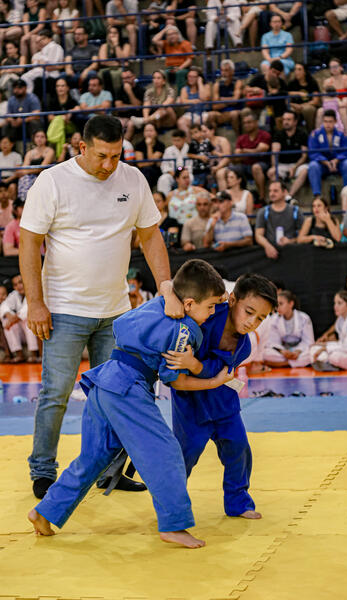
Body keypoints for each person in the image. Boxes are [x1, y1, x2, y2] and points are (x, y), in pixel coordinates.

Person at [19, 115, 183, 500]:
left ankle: (110, 471)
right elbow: (29, 243)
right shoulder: (53, 181)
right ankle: (43, 470)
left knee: (116, 394)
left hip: (116, 312)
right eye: (102, 156)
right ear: (82, 147)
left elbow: (150, 236)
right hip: (63, 309)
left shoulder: (132, 179)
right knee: (56, 393)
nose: (109, 164)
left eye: (116, 155)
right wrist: (36, 303)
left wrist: (165, 288)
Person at [28, 259, 233, 548]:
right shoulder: (187, 330)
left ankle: (44, 511)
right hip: (128, 389)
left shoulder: (156, 305)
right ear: (188, 303)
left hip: (104, 381)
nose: (212, 313)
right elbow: (175, 381)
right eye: (210, 306)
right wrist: (214, 380)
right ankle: (174, 525)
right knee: (165, 451)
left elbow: (121, 324)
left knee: (94, 457)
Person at [168, 273, 278, 520]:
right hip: (190, 399)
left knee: (238, 447)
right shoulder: (206, 313)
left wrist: (194, 364)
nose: (252, 322)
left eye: (260, 318)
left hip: (223, 399)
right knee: (186, 453)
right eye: (249, 311)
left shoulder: (244, 346)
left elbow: (216, 372)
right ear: (232, 300)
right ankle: (170, 505)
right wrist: (188, 363)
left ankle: (238, 502)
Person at [308, 109, 347, 199]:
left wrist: (336, 160)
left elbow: (345, 151)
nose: (327, 124)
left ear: (335, 122)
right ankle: (317, 196)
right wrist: (325, 162)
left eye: (330, 122)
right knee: (313, 165)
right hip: (322, 165)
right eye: (325, 121)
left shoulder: (341, 134)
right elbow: (313, 152)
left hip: (338, 164)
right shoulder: (315, 134)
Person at [262, 289, 314, 367]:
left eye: (281, 304)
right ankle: (296, 363)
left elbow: (308, 341)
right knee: (265, 352)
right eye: (277, 304)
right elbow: (273, 341)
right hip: (283, 351)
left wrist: (298, 351)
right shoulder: (273, 319)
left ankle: (284, 364)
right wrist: (282, 351)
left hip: (299, 350)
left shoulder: (304, 318)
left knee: (312, 352)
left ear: (291, 304)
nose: (277, 307)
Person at [255, 180, 304, 260]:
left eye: (275, 191)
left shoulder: (295, 211)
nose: (272, 194)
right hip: (270, 255)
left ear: (284, 192)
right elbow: (258, 235)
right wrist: (268, 246)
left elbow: (303, 235)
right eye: (270, 191)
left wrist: (290, 241)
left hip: (293, 254)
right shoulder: (263, 212)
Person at [267, 110, 308, 199]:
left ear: (295, 122)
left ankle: (289, 196)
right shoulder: (278, 134)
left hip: (297, 164)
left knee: (305, 170)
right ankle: (280, 196)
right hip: (282, 164)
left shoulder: (302, 134)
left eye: (288, 120)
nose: (285, 122)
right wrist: (274, 166)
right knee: (272, 173)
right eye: (284, 119)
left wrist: (295, 167)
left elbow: (304, 156)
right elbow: (274, 154)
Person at [0, 272, 40, 363]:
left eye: (20, 282)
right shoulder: (14, 295)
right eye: (15, 284)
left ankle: (33, 354)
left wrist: (13, 319)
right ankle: (19, 354)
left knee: (27, 320)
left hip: (34, 332)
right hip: (22, 334)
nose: (19, 286)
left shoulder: (33, 293)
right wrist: (9, 316)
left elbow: (26, 311)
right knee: (6, 321)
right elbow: (3, 306)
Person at [234, 110, 271, 204]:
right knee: (232, 170)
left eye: (249, 122)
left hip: (263, 164)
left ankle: (262, 198)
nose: (246, 125)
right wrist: (254, 151)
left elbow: (262, 150)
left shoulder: (264, 135)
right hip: (245, 166)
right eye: (244, 123)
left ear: (256, 122)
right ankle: (236, 200)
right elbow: (236, 156)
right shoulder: (241, 138)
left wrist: (245, 151)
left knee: (256, 167)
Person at [21, 28, 64, 95]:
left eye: (43, 39)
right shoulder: (37, 54)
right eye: (38, 41)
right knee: (24, 78)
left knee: (28, 78)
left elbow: (54, 66)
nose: (41, 42)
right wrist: (40, 64)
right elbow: (35, 65)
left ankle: (29, 95)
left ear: (50, 39)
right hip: (41, 74)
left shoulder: (54, 46)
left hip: (52, 76)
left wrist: (40, 64)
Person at [207, 59, 244, 136]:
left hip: (236, 111)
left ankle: (239, 139)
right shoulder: (217, 85)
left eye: (226, 70)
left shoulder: (238, 82)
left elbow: (235, 101)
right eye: (222, 70)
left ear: (232, 71)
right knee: (210, 115)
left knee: (234, 114)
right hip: (222, 113)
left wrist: (221, 99)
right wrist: (230, 101)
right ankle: (214, 141)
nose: (223, 73)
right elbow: (215, 106)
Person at [152, 25, 193, 93]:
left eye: (173, 34)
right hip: (170, 68)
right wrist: (165, 29)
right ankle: (165, 94)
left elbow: (189, 60)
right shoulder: (166, 43)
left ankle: (180, 95)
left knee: (180, 73)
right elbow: (154, 40)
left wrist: (180, 68)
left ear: (178, 34)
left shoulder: (186, 43)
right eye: (168, 35)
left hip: (184, 67)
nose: (171, 36)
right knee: (163, 74)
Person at [18, 129, 55, 202]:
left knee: (37, 181)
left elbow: (41, 168)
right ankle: (23, 203)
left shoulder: (50, 151)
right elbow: (24, 168)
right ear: (34, 139)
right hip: (30, 176)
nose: (39, 139)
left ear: (46, 139)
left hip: (44, 175)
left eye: (42, 137)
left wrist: (27, 171)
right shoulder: (30, 153)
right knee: (23, 179)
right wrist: (27, 172)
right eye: (37, 136)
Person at [46, 78, 79, 157]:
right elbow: (49, 118)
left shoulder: (72, 100)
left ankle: (52, 138)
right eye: (58, 86)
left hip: (70, 127)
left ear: (67, 88)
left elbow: (78, 108)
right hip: (58, 127)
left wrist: (70, 112)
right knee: (59, 121)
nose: (60, 88)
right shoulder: (52, 101)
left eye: (62, 86)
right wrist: (62, 118)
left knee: (58, 120)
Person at [177, 67, 211, 136]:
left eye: (194, 77)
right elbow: (184, 103)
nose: (191, 78)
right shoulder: (184, 89)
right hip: (189, 113)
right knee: (180, 122)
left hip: (203, 112)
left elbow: (204, 98)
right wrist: (194, 101)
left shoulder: (206, 86)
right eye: (189, 76)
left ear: (199, 77)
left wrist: (200, 83)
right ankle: (190, 144)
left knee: (202, 121)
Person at [63, 26, 99, 92]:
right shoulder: (71, 49)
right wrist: (68, 69)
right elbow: (68, 63)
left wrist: (86, 70)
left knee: (92, 74)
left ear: (86, 36)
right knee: (62, 75)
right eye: (75, 34)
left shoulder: (93, 48)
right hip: (74, 74)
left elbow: (95, 64)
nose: (76, 36)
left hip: (87, 73)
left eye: (79, 34)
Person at [114, 66, 145, 141]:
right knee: (114, 123)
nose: (125, 80)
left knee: (130, 124)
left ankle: (124, 146)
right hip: (123, 117)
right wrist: (132, 106)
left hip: (136, 118)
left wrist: (129, 92)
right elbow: (119, 107)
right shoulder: (120, 89)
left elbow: (138, 107)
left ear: (134, 77)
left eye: (128, 77)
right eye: (123, 78)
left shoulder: (141, 90)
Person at [287, 62, 320, 132]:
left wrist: (301, 106)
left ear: (305, 72)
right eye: (295, 69)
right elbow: (286, 97)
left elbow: (316, 101)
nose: (296, 72)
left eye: (299, 69)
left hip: (308, 105)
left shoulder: (312, 83)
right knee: (291, 111)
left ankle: (311, 132)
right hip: (294, 106)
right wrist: (297, 94)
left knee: (308, 109)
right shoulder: (291, 83)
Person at [157, 129, 190, 195]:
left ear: (184, 139)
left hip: (186, 174)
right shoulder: (168, 150)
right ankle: (164, 200)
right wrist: (172, 173)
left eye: (178, 140)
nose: (176, 143)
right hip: (172, 174)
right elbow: (164, 165)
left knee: (190, 178)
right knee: (163, 179)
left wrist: (182, 173)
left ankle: (188, 198)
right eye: (174, 140)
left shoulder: (189, 149)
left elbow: (190, 166)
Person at [201, 120, 231, 191]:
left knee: (220, 173)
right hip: (210, 169)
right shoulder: (202, 144)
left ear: (212, 131)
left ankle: (223, 197)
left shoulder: (222, 140)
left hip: (224, 167)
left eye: (205, 131)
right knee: (205, 175)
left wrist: (217, 167)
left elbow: (227, 158)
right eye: (201, 132)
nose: (203, 134)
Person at [135, 122, 165, 189]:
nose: (148, 133)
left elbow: (151, 160)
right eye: (146, 131)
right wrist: (150, 163)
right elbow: (139, 164)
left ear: (156, 132)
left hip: (155, 171)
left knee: (148, 170)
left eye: (151, 130)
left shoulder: (160, 145)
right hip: (142, 171)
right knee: (145, 170)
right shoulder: (139, 145)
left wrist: (148, 145)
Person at [187, 123, 214, 187]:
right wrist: (200, 157)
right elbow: (189, 154)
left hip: (208, 168)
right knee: (199, 185)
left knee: (212, 184)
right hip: (197, 170)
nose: (194, 135)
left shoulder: (207, 141)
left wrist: (219, 154)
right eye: (192, 133)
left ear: (201, 132)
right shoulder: (193, 143)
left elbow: (212, 151)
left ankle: (214, 195)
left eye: (196, 132)